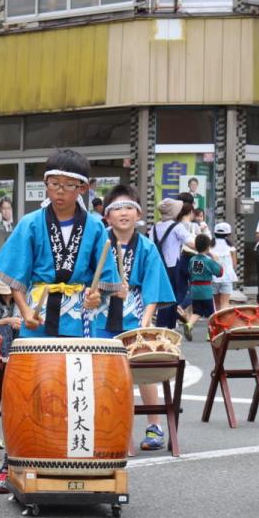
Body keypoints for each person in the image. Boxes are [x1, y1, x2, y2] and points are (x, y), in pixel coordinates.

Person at [0, 150, 118, 491]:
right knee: (27, 387)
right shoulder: (31, 223)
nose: (59, 192)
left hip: (76, 312)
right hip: (38, 309)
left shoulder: (95, 227)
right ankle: (10, 461)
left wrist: (96, 296)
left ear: (83, 189)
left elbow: (103, 283)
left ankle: (69, 456)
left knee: (75, 385)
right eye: (53, 184)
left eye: (68, 186)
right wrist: (24, 311)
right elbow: (16, 276)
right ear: (45, 185)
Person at [99, 183, 175, 452]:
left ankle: (154, 425)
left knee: (143, 371)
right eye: (116, 208)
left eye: (129, 207)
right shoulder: (98, 242)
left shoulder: (145, 246)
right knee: (104, 374)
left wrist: (147, 320)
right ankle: (110, 425)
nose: (123, 213)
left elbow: (154, 286)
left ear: (139, 214)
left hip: (135, 312)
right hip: (101, 315)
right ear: (107, 216)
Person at [152, 198, 196, 331]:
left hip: (158, 265)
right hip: (173, 265)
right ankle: (168, 324)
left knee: (163, 294)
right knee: (175, 294)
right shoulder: (177, 227)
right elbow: (191, 243)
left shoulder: (154, 227)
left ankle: (164, 324)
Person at [183, 233, 221, 334]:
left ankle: (189, 324)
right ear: (208, 246)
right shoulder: (208, 261)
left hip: (194, 289)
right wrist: (216, 261)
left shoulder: (192, 260)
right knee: (210, 314)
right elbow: (219, 272)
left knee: (197, 311)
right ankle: (210, 334)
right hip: (206, 289)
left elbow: (190, 272)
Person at [210, 222, 239, 312]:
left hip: (213, 278)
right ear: (228, 234)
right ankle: (223, 323)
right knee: (225, 303)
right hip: (226, 278)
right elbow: (234, 264)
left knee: (216, 303)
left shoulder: (210, 246)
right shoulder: (231, 248)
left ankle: (216, 322)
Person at [0, 280, 21, 356]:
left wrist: (15, 322)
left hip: (12, 329)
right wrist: (8, 321)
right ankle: (6, 357)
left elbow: (18, 316)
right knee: (5, 328)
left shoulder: (16, 301)